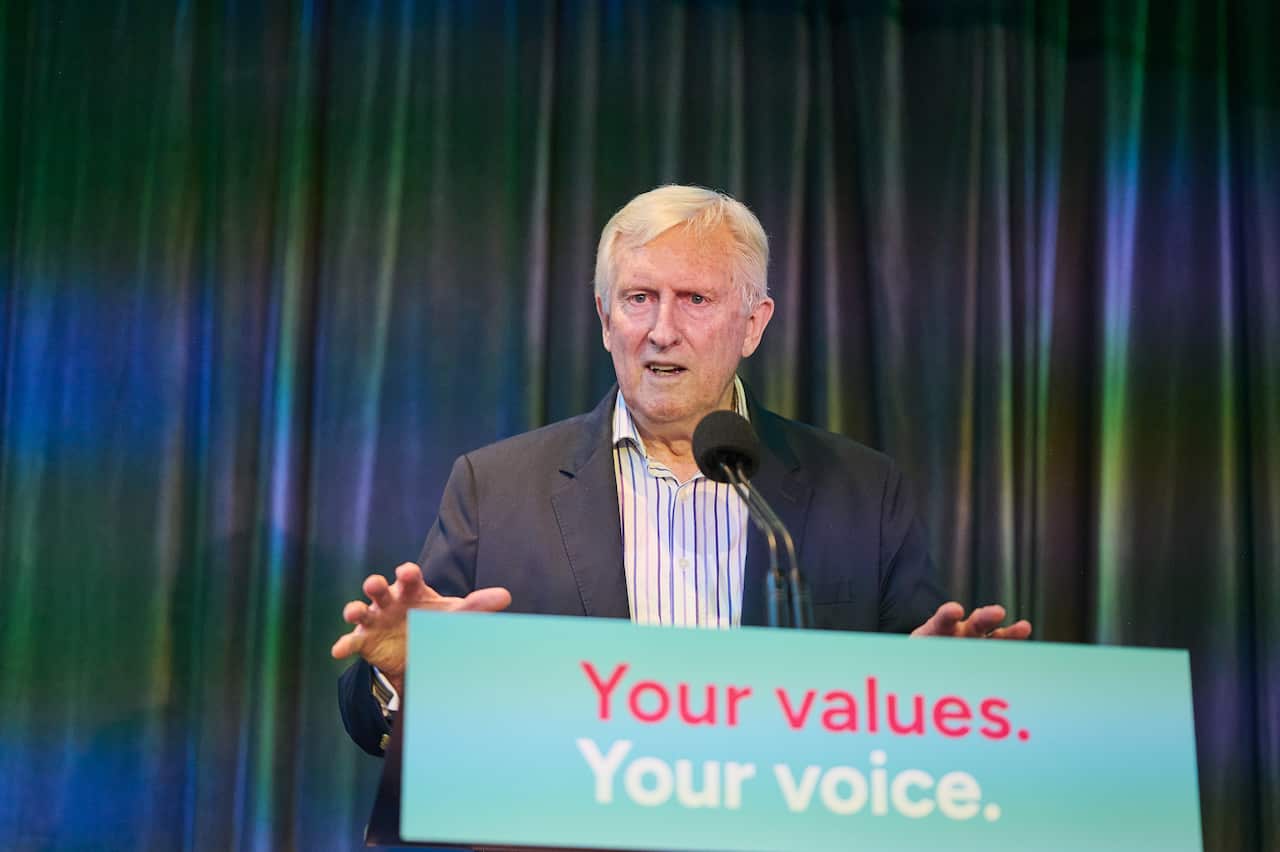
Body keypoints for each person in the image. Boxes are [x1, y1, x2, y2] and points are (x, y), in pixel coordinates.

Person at [332, 185, 1032, 757]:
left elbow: (916, 708)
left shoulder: (862, 489)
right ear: (606, 319)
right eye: (639, 298)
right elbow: (375, 728)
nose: (661, 329)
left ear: (753, 325)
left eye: (694, 299)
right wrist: (399, 677)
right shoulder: (496, 487)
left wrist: (939, 694)